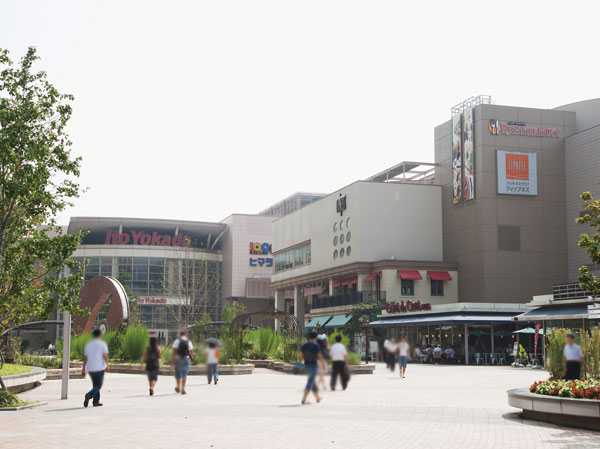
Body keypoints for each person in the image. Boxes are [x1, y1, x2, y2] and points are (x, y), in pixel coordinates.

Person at [81, 328, 109, 408]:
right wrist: (107, 365)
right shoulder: (102, 344)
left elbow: (85, 358)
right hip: (99, 368)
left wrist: (83, 370)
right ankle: (89, 395)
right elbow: (105, 356)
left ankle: (96, 401)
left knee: (95, 385)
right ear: (100, 335)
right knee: (98, 386)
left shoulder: (88, 345)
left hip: (90, 368)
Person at [300, 330, 327, 404]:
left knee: (312, 381)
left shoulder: (304, 345)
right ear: (316, 337)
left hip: (306, 365)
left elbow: (301, 356)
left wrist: (305, 359)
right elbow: (319, 356)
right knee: (310, 381)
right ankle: (304, 399)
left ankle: (317, 398)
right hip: (313, 365)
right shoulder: (316, 345)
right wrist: (323, 365)